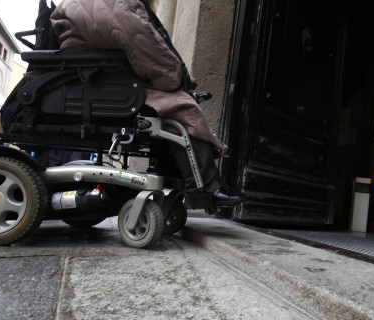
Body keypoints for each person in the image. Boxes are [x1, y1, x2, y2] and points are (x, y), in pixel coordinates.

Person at [50, 0, 243, 206]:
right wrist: (179, 82)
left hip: (98, 80)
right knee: (182, 109)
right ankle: (207, 187)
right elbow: (153, 56)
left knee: (176, 104)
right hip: (114, 85)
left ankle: (188, 180)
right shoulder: (119, 4)